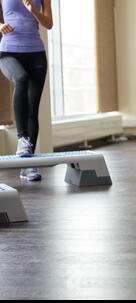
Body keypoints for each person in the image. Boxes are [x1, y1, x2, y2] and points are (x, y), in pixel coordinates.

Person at [0, 0, 52, 181]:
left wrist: (33, 11)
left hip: (36, 52)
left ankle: (28, 166)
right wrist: (0, 25)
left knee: (32, 109)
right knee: (20, 79)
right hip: (8, 51)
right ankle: (22, 139)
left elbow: (49, 24)